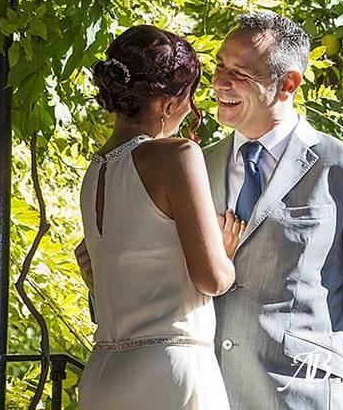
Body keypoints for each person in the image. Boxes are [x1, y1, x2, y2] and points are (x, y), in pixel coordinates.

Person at [204, 11, 343, 409]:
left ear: (288, 84)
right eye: (219, 66)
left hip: (301, 398)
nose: (219, 82)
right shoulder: (196, 166)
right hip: (202, 393)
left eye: (240, 73)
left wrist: (310, 348)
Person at [75, 25, 241, 410]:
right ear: (167, 102)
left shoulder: (94, 172)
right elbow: (212, 279)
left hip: (103, 373)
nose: (190, 109)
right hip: (168, 371)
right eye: (189, 96)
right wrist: (225, 251)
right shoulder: (175, 155)